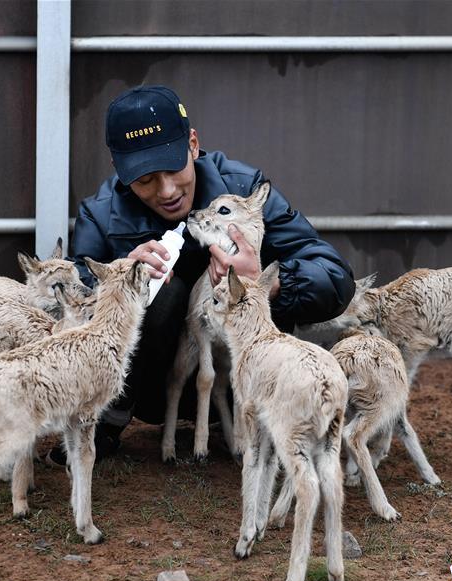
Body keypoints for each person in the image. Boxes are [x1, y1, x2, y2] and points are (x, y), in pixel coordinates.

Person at [47, 85, 355, 465]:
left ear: (193, 144)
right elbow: (68, 298)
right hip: (150, 385)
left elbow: (334, 277)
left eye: (174, 168)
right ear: (122, 173)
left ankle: (265, 419)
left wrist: (267, 282)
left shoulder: (243, 192)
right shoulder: (101, 213)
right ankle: (106, 421)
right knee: (164, 291)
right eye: (144, 179)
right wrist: (120, 274)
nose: (167, 191)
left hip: (240, 377)